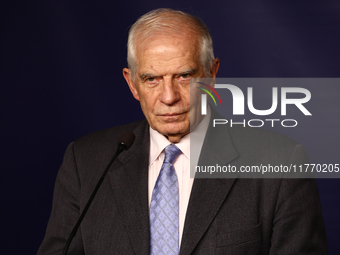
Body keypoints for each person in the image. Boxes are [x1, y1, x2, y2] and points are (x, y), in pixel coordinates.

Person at [38, 8, 327, 254]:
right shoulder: (85, 161)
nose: (168, 96)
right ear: (132, 83)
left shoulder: (280, 162)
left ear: (211, 74)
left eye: (185, 76)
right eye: (151, 79)